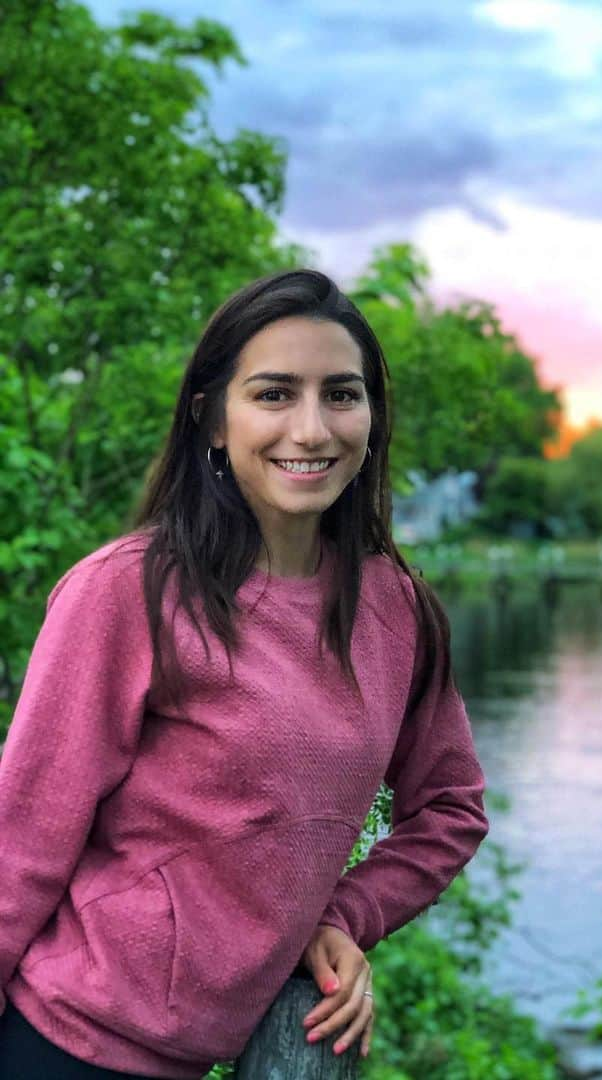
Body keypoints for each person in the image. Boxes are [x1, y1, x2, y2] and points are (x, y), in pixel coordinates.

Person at [0, 269, 490, 1078]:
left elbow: (449, 808)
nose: (311, 428)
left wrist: (345, 914)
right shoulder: (128, 592)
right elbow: (22, 839)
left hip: (212, 1054)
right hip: (63, 1043)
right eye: (272, 394)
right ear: (213, 420)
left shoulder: (397, 611)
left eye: (341, 394)